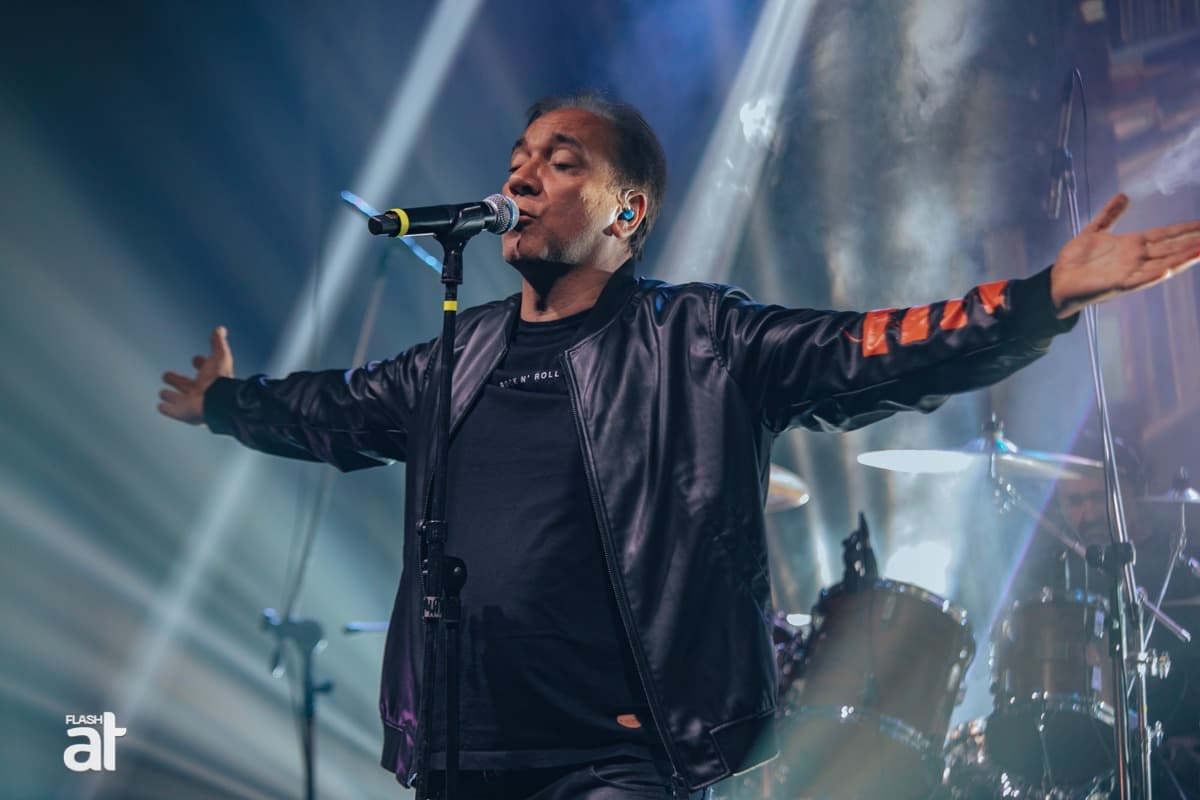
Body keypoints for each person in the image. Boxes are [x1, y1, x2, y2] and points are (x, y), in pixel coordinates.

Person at [158, 93, 1200, 799]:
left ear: (628, 212)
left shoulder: (700, 338)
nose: (522, 176)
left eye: (559, 161)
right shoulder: (456, 354)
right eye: (517, 161)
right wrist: (226, 403)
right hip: (464, 745)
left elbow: (871, 349)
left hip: (621, 751)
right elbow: (335, 410)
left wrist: (1039, 297)